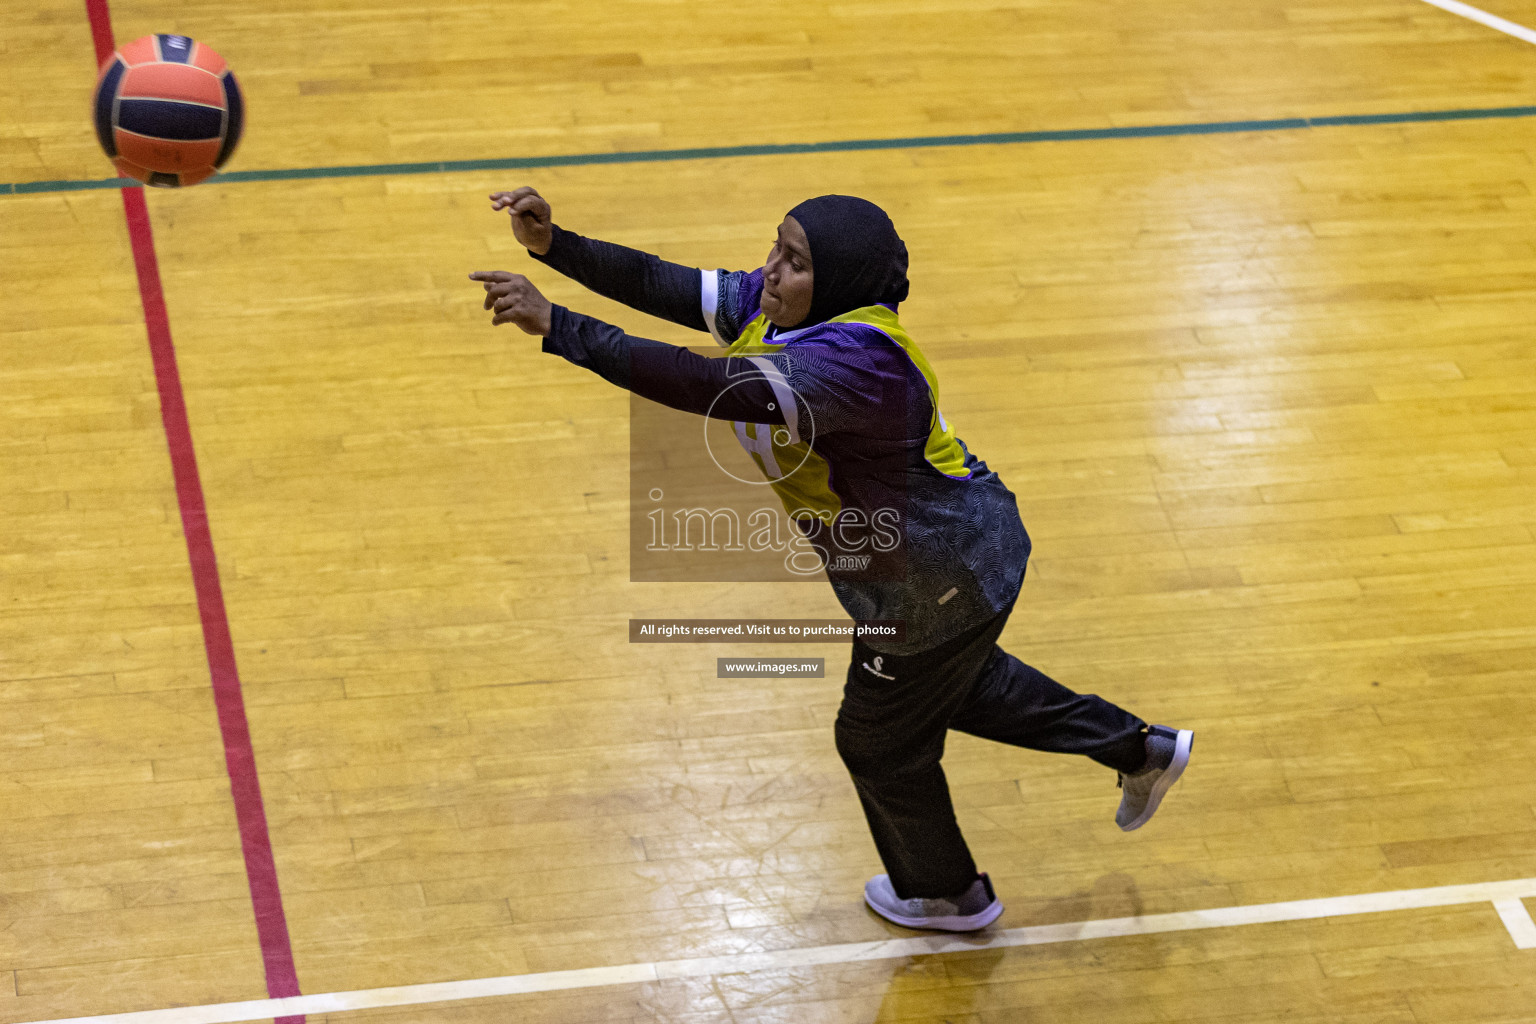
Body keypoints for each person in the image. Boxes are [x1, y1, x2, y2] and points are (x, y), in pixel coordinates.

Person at [469, 187, 1193, 932]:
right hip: (963, 559)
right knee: (957, 688)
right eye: (776, 247)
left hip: (932, 580)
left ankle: (947, 894)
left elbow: (702, 383)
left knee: (877, 743)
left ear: (839, 280)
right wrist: (556, 245)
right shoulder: (781, 305)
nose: (771, 272)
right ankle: (1140, 750)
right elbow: (667, 284)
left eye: (796, 262)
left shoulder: (852, 366)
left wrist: (560, 325)